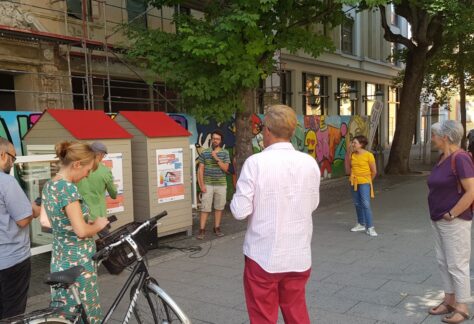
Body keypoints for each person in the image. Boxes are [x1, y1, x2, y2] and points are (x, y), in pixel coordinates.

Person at [230, 104, 320, 324]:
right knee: (297, 313)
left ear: (267, 130)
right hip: (298, 253)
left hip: (263, 254)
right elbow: (313, 204)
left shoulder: (255, 163)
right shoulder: (309, 163)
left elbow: (239, 211)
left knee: (263, 316)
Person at [41, 141, 109, 323]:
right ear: (77, 164)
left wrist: (86, 222)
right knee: (87, 315)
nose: (86, 176)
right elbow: (80, 231)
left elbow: (56, 222)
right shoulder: (68, 189)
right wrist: (99, 224)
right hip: (78, 263)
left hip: (60, 259)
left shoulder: (50, 185)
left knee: (65, 313)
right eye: (87, 171)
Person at [427, 120, 474, 324]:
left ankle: (462, 306)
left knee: (457, 264)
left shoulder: (461, 158)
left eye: (434, 135)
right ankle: (449, 300)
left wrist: (452, 213)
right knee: (443, 261)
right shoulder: (442, 158)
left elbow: (471, 191)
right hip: (438, 218)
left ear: (444, 137)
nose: (432, 138)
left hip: (454, 221)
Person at [0, 138, 40, 319]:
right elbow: (23, 220)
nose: (12, 163)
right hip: (11, 260)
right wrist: (34, 210)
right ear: (2, 155)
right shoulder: (6, 182)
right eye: (13, 158)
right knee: (12, 314)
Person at [197, 129, 230, 239]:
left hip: (221, 184)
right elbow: (200, 170)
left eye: (217, 139)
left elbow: (226, 168)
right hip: (208, 184)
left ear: (221, 140)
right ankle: (202, 230)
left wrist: (216, 158)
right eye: (214, 138)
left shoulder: (225, 153)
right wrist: (201, 185)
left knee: (219, 207)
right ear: (211, 139)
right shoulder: (205, 152)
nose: (215, 140)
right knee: (205, 207)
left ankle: (217, 227)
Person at [345, 135, 378, 236]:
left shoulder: (369, 155)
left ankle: (370, 227)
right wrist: (348, 154)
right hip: (354, 181)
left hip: (364, 182)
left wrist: (368, 181)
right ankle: (361, 223)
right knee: (357, 203)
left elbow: (374, 171)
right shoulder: (352, 154)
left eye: (355, 143)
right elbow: (347, 170)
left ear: (361, 144)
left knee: (365, 204)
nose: (352, 144)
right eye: (352, 142)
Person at [77, 141, 117, 222]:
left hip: (80, 213)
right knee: (106, 234)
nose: (103, 157)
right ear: (99, 154)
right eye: (103, 155)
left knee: (83, 233)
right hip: (98, 214)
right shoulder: (105, 171)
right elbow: (114, 194)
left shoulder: (79, 168)